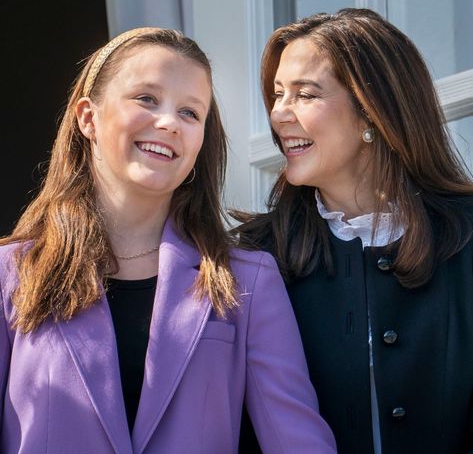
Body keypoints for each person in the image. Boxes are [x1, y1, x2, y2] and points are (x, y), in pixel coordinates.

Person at [0, 28, 337, 453]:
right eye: (146, 99)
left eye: (190, 113)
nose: (168, 123)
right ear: (88, 117)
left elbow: (297, 442)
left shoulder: (249, 282)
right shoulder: (9, 275)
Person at [236, 8, 473, 454]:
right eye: (277, 94)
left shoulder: (468, 234)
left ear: (372, 112)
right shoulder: (255, 259)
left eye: (305, 94)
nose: (278, 113)